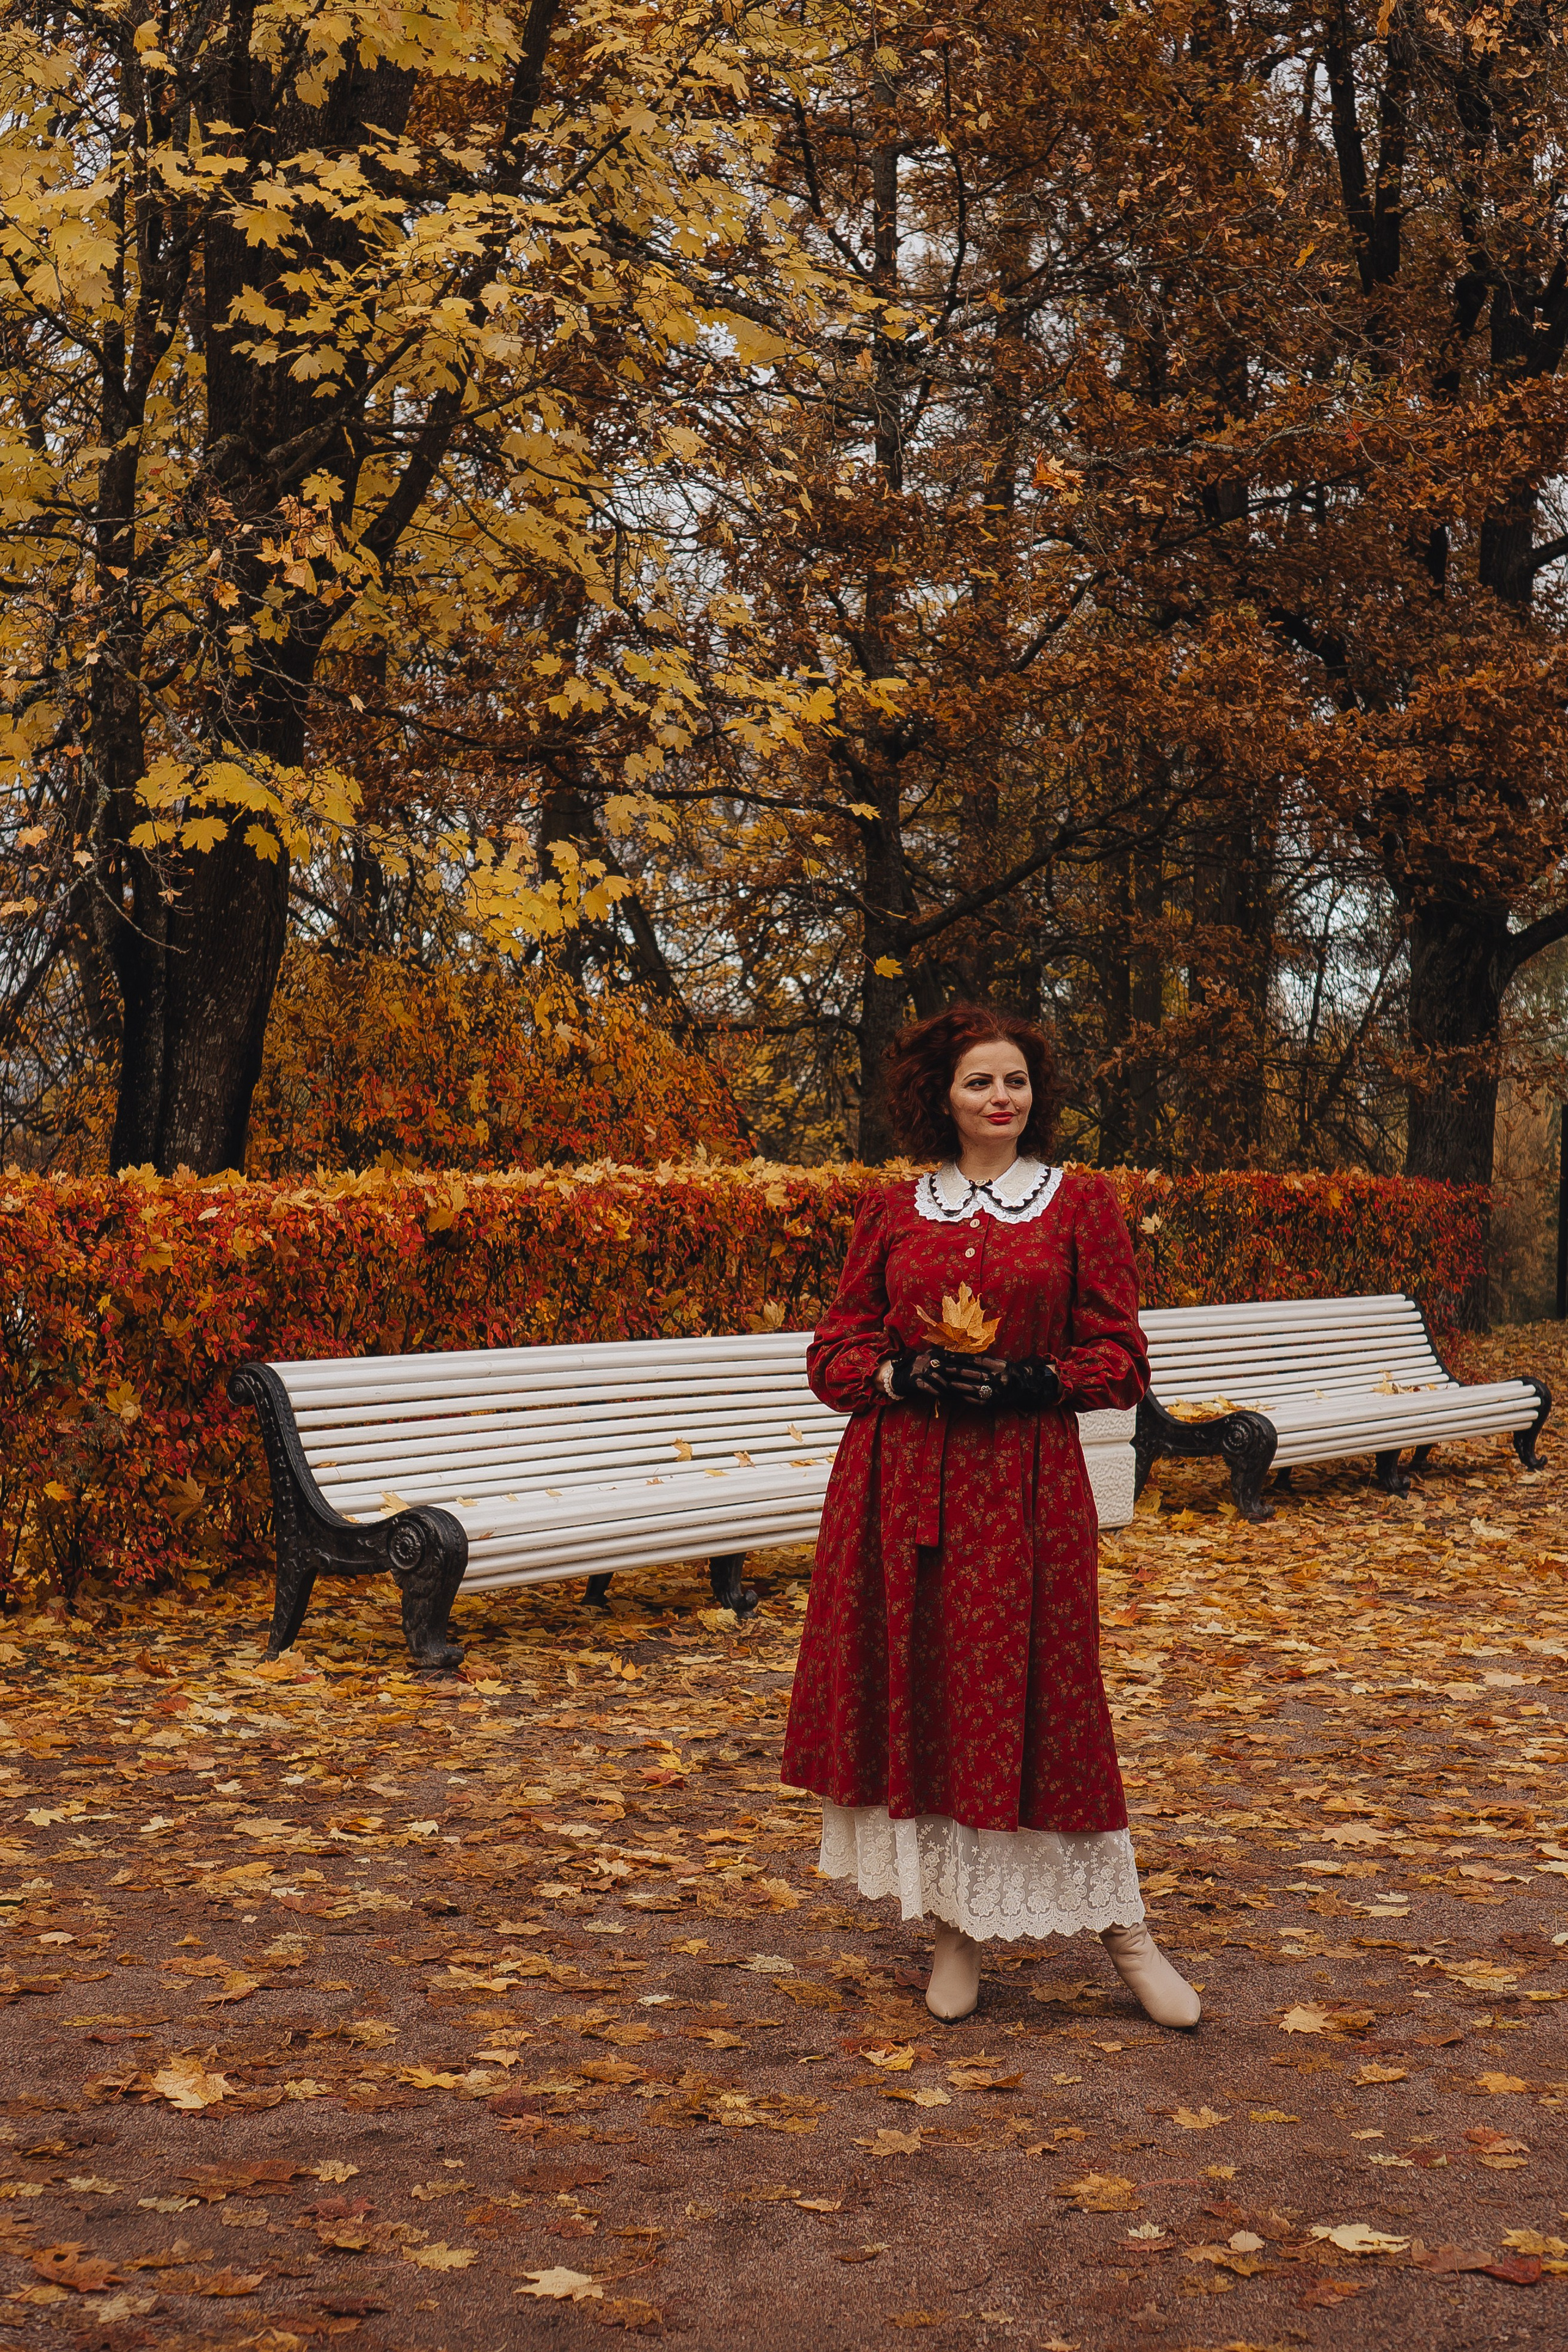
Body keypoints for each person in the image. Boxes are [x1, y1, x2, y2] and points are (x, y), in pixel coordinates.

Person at [780, 1004, 1199, 2028]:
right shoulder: (893, 1211)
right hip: (903, 1480)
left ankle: (1127, 1934)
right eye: (980, 1082)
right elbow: (833, 1352)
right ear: (946, 1096)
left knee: (1052, 1699)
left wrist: (1033, 1380)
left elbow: (1123, 1357)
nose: (1000, 1098)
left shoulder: (1078, 1206)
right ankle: (955, 1934)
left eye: (1015, 1081)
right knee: (929, 1695)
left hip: (1024, 1485)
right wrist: (895, 1367)